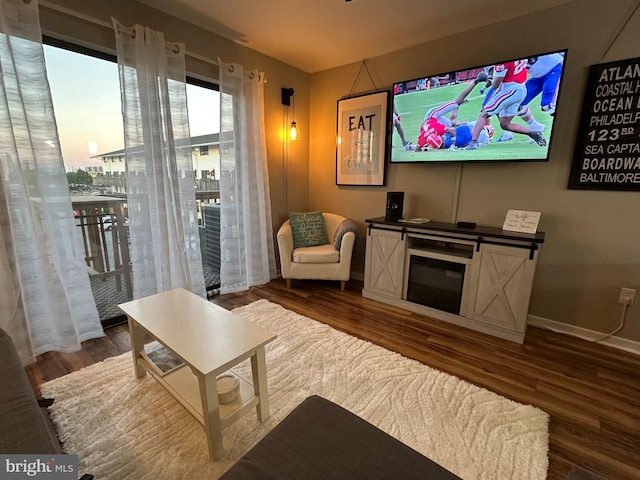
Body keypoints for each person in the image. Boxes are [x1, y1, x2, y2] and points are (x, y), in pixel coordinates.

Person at [465, 59, 546, 150]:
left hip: (510, 90)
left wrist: (487, 78)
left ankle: (473, 143)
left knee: (483, 114)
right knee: (505, 124)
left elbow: (496, 85)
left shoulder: (502, 62)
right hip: (520, 88)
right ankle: (534, 134)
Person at [410, 72, 488, 151]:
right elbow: (419, 147)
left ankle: (476, 81)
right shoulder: (426, 137)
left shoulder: (436, 129)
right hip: (430, 124)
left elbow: (451, 132)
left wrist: (452, 146)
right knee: (452, 124)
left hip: (433, 115)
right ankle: (457, 107)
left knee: (457, 102)